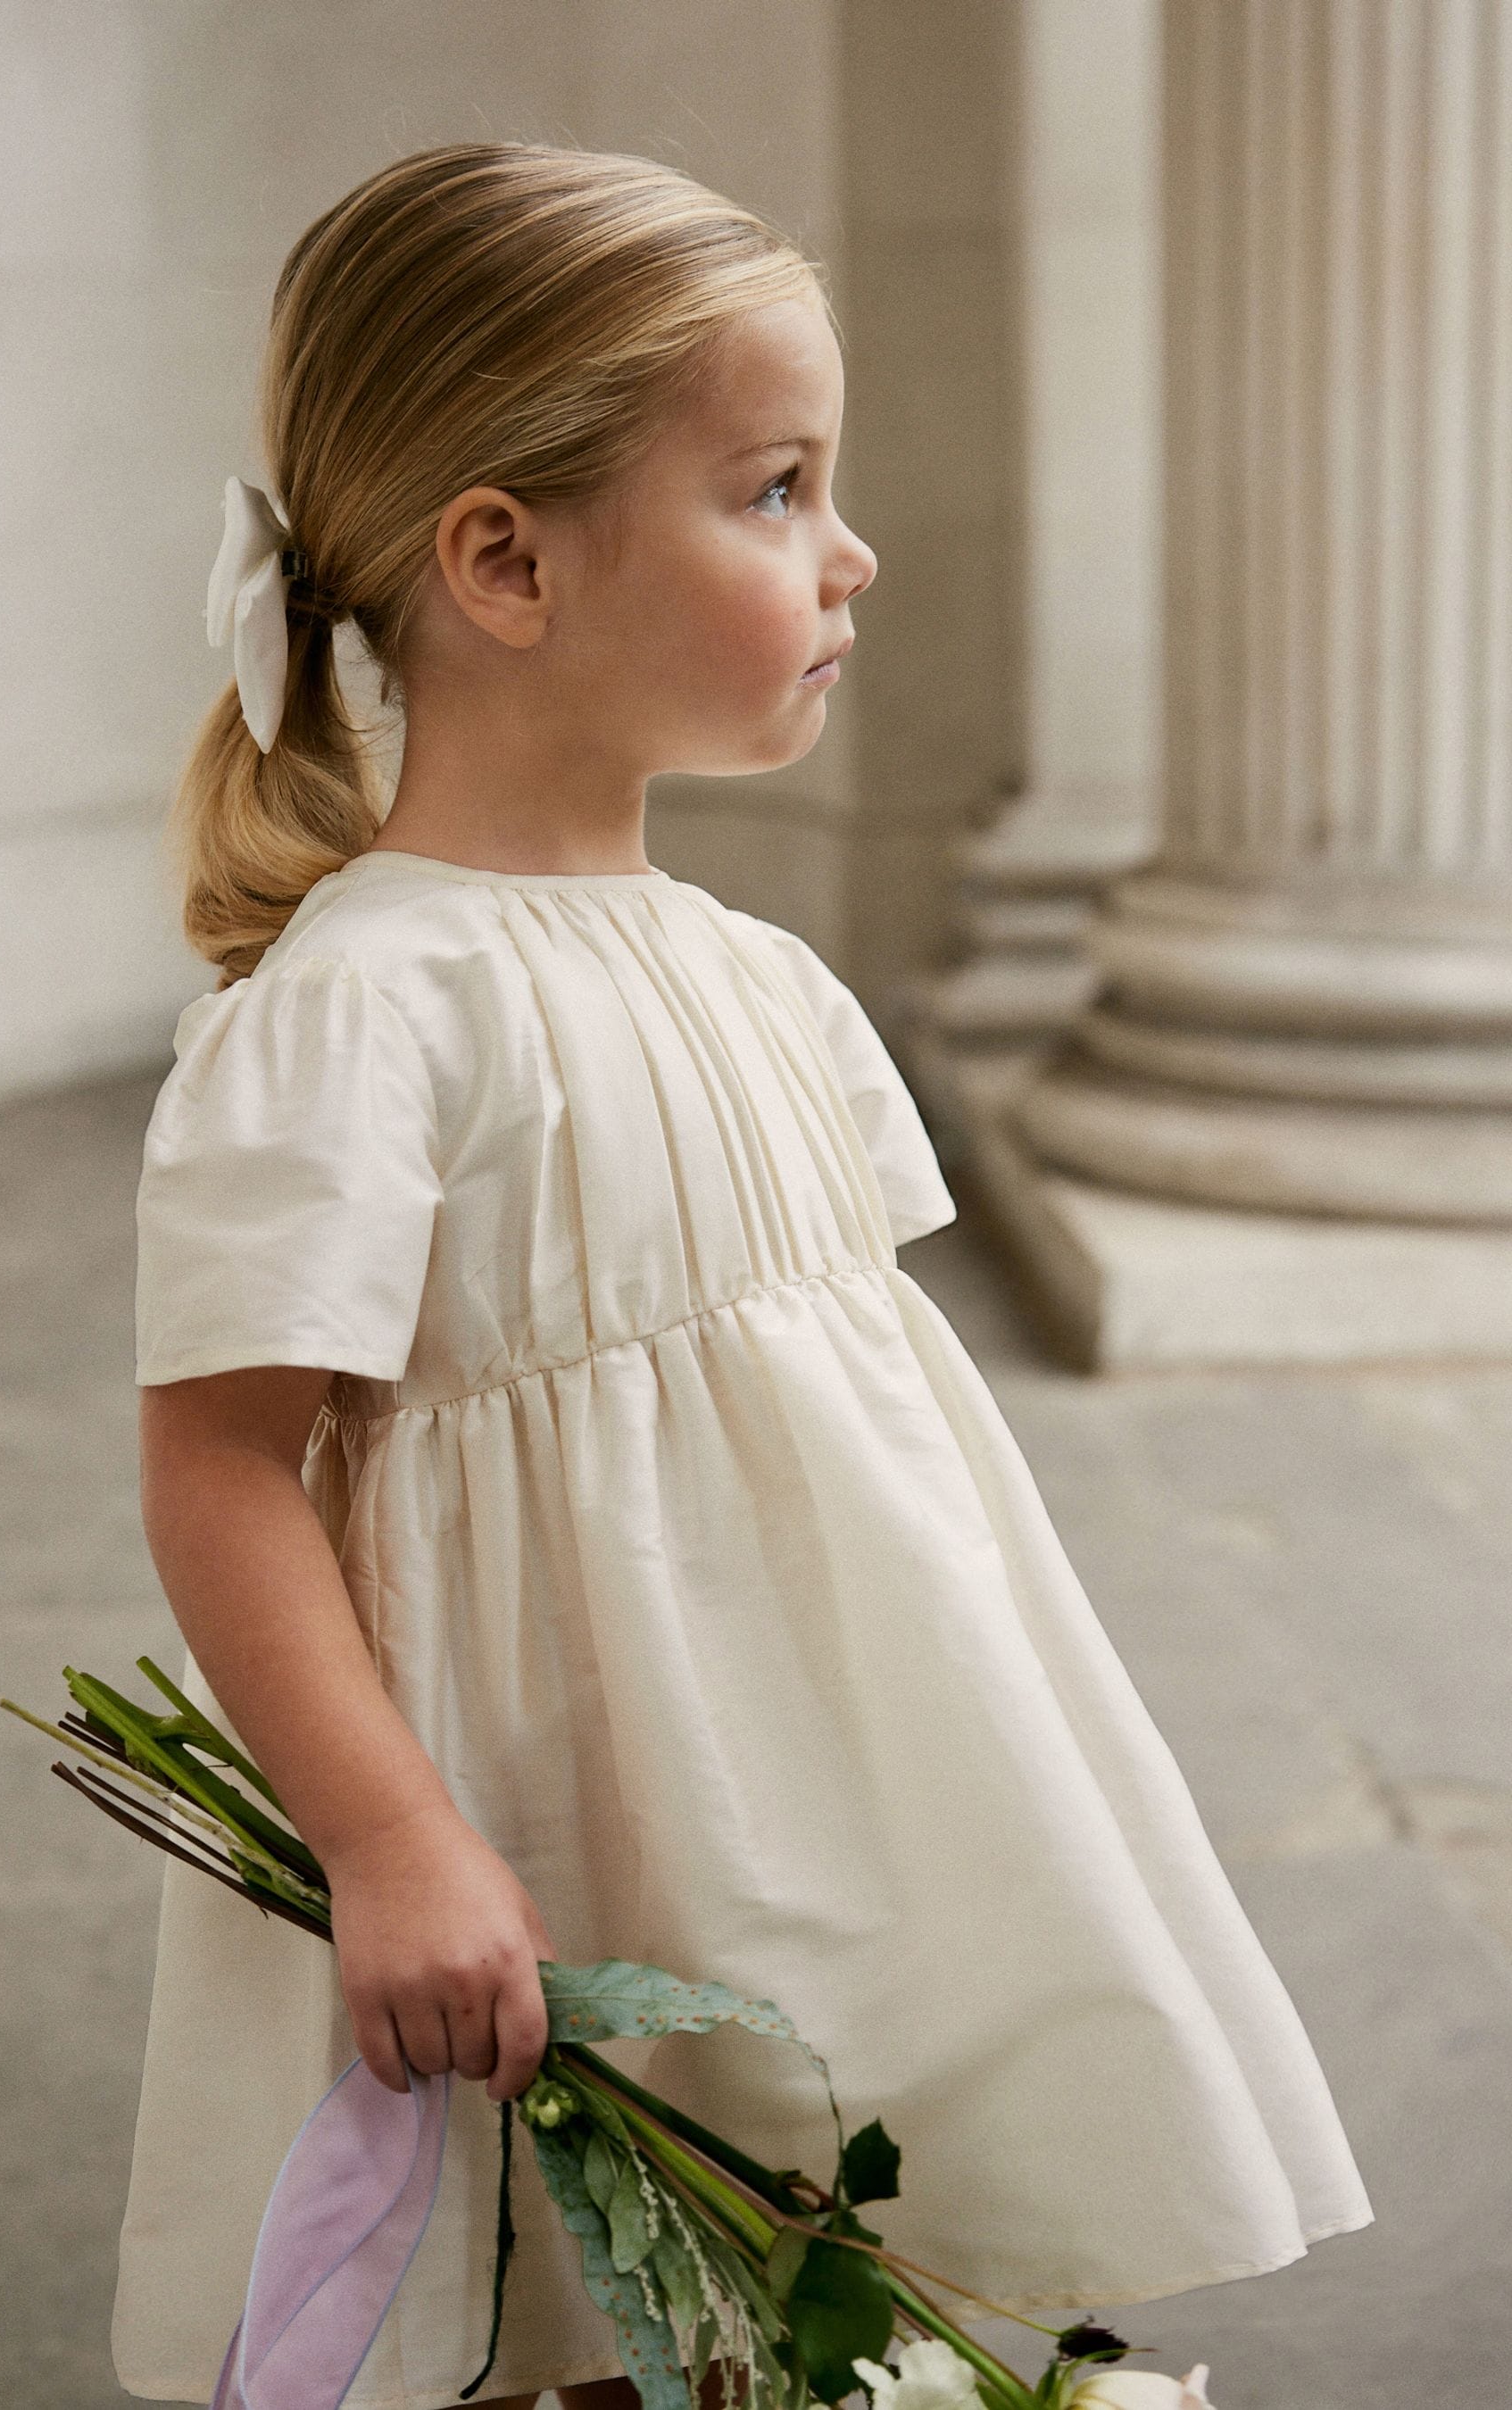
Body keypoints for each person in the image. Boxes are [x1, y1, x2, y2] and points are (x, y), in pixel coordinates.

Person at [114, 140, 1373, 2410]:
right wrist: (395, 1843)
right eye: (777, 488)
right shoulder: (365, 1008)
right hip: (561, 1799)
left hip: (836, 1783)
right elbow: (220, 1460)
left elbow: (836, 1426)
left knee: (818, 2285)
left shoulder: (758, 975)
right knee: (583, 2301)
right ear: (504, 558)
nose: (851, 550)